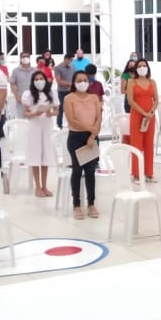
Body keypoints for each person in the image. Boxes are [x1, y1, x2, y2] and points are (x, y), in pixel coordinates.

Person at [63, 71, 101, 219]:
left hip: (91, 137)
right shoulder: (69, 98)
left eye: (85, 80)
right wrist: (90, 129)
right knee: (77, 170)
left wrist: (92, 135)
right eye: (79, 80)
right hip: (76, 137)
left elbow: (98, 118)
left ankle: (91, 203)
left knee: (91, 171)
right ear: (74, 82)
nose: (82, 82)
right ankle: (76, 205)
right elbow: (72, 120)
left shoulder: (94, 98)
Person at [21, 69, 59, 197]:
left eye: (41, 79)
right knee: (35, 155)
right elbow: (25, 113)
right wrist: (34, 113)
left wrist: (50, 113)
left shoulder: (51, 93)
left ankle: (44, 186)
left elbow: (56, 111)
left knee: (45, 155)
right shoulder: (28, 94)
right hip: (34, 126)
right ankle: (37, 186)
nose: (39, 81)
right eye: (36, 79)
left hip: (47, 126)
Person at [125, 58, 157, 182]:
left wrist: (151, 112)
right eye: (139, 66)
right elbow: (130, 101)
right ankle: (136, 173)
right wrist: (143, 113)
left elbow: (156, 100)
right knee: (136, 144)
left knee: (149, 144)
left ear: (148, 68)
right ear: (136, 69)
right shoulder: (132, 82)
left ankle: (149, 173)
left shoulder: (152, 82)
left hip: (150, 117)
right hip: (137, 115)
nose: (142, 68)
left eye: (144, 65)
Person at [54, 53, 75, 129]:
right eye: (70, 60)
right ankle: (59, 124)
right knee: (61, 108)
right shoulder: (58, 68)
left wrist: (72, 85)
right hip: (62, 91)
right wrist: (69, 84)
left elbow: (74, 78)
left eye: (72, 60)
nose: (71, 62)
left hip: (71, 91)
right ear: (66, 59)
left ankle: (72, 124)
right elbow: (59, 81)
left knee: (72, 108)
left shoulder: (72, 67)